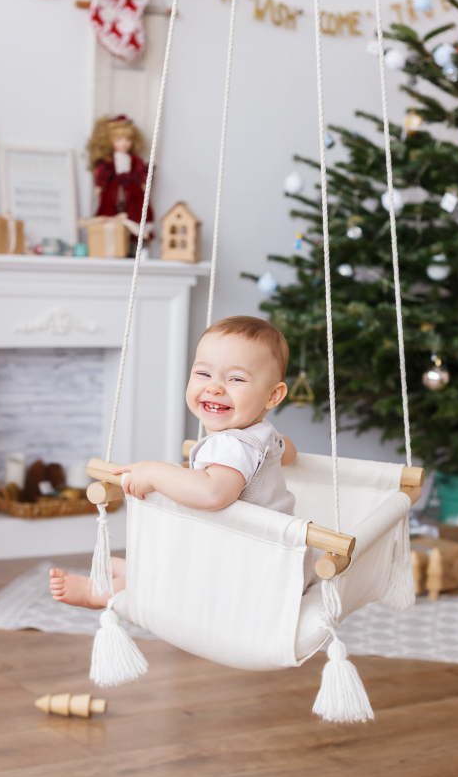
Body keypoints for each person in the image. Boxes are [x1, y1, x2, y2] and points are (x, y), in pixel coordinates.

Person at [50, 315, 298, 609]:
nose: (215, 388)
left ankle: (98, 593)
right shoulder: (265, 434)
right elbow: (289, 452)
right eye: (204, 374)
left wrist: (154, 473)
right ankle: (131, 569)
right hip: (270, 556)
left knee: (167, 576)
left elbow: (212, 493)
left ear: (273, 395)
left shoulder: (230, 445)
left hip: (242, 567)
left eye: (236, 379)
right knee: (175, 555)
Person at [86, 114, 153, 250]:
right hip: (113, 191)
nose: (124, 143)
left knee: (135, 214)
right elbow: (103, 173)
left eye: (127, 139)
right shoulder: (108, 161)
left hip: (132, 192)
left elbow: (140, 172)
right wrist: (99, 186)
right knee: (110, 213)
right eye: (119, 139)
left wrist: (143, 184)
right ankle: (113, 245)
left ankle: (132, 245)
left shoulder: (134, 159)